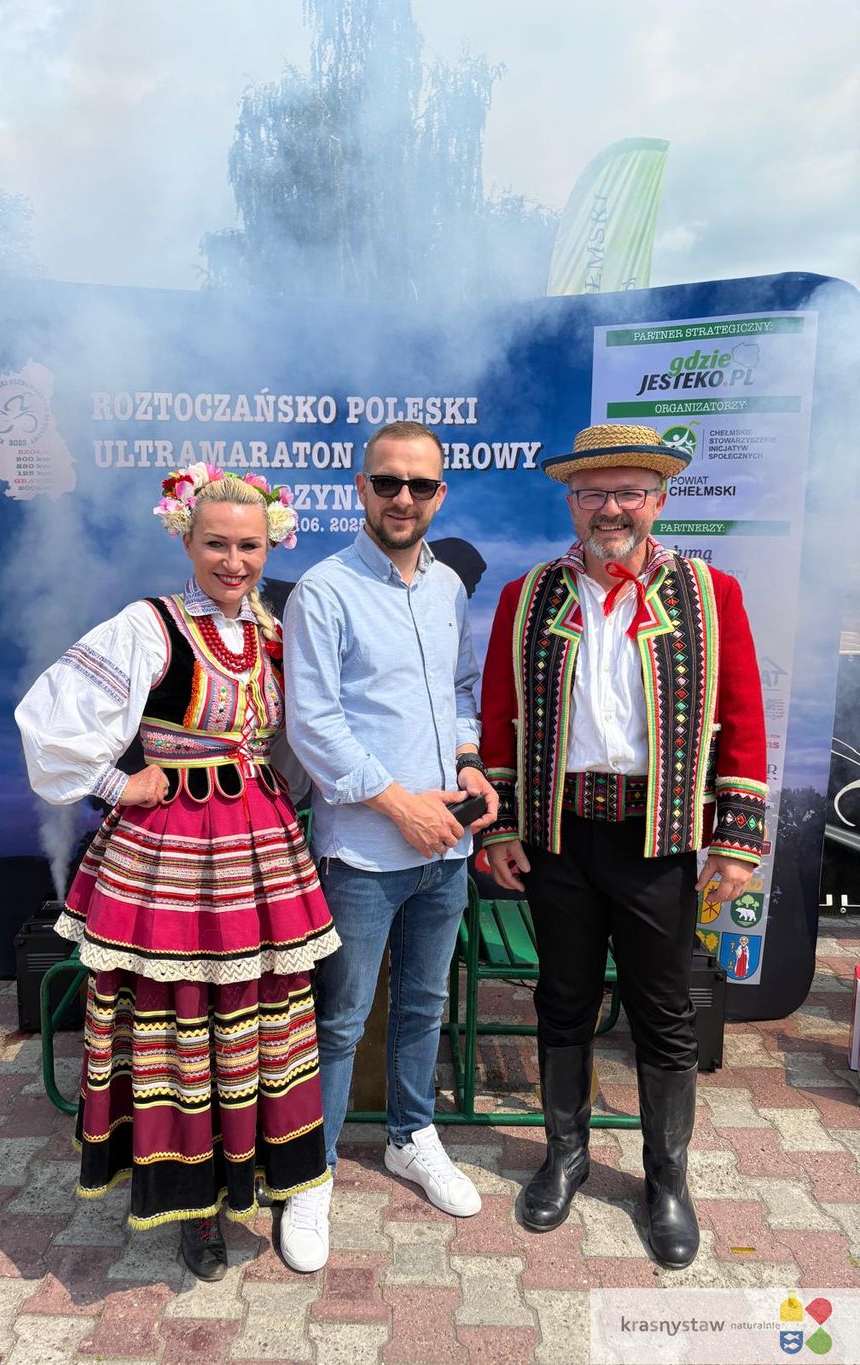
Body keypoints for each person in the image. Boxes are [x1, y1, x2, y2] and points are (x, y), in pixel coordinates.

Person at [15, 466, 340, 1282]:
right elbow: (51, 715)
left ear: (271, 546)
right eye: (217, 544)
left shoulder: (272, 630)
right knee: (180, 1016)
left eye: (249, 546)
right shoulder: (151, 623)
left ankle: (263, 1173)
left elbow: (301, 736)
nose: (234, 561)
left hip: (257, 847)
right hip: (173, 850)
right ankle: (196, 1203)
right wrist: (116, 782)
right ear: (187, 541)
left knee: (260, 1014)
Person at [480, 422, 766, 1269]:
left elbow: (743, 717)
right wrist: (501, 825)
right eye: (593, 493)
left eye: (629, 491)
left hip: (660, 835)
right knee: (562, 998)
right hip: (559, 834)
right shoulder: (528, 595)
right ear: (572, 503)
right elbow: (499, 713)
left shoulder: (711, 594)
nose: (611, 508)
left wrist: (736, 840)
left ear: (659, 500)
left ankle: (666, 1179)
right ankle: (564, 1157)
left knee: (665, 1012)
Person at [281, 420, 499, 1272]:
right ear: (360, 489)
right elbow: (314, 724)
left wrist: (471, 762)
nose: (402, 498)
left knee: (423, 1005)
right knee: (339, 1019)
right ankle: (314, 1172)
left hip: (445, 845)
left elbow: (460, 690)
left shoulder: (446, 587)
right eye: (386, 482)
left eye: (419, 484)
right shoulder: (324, 591)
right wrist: (399, 805)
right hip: (365, 854)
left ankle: (411, 1135)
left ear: (441, 494)